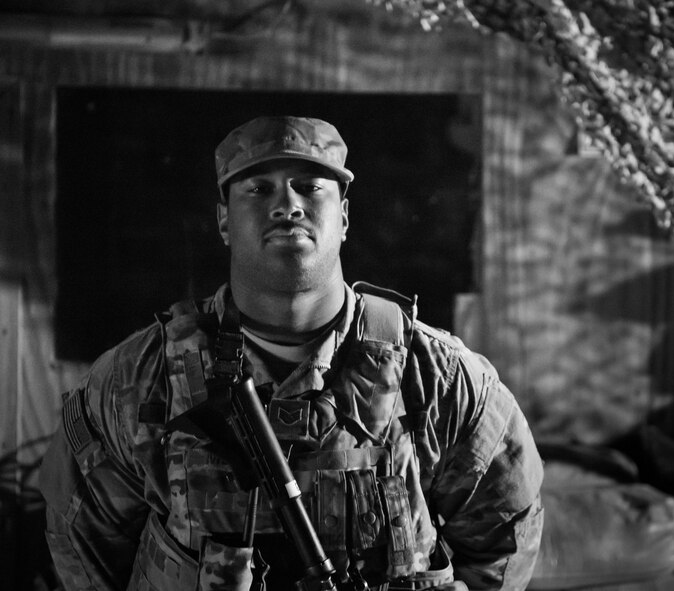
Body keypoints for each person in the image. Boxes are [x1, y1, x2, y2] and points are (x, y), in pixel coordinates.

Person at [39, 116, 544, 591]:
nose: (287, 205)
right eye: (258, 189)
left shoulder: (438, 376)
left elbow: (504, 543)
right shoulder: (138, 379)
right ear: (222, 221)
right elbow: (83, 552)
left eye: (309, 187)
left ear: (344, 216)